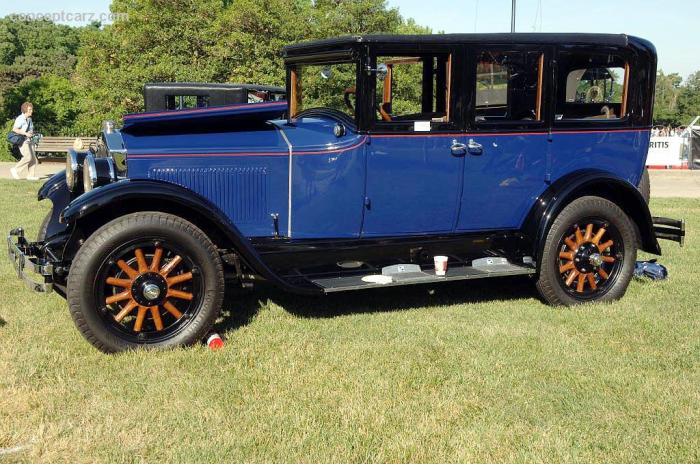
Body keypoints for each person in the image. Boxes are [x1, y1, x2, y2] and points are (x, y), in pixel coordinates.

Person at [9, 102, 39, 180]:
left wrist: (32, 133)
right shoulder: (20, 118)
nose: (31, 111)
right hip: (23, 140)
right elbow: (15, 129)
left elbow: (31, 130)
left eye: (31, 109)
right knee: (28, 157)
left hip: (30, 140)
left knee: (33, 159)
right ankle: (15, 170)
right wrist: (25, 133)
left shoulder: (29, 119)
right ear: (25, 110)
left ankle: (30, 176)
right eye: (29, 109)